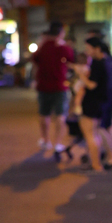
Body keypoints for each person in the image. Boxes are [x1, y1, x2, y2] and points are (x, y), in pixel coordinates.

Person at [31, 21, 75, 156]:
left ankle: (45, 140)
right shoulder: (63, 47)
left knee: (44, 114)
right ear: (61, 33)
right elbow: (71, 59)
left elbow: (34, 60)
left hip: (43, 85)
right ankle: (58, 143)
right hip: (59, 85)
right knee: (60, 115)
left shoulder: (43, 46)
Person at [75, 35, 110, 174]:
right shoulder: (105, 61)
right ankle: (96, 162)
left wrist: (81, 75)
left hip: (92, 103)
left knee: (90, 135)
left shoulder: (97, 63)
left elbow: (91, 85)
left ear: (97, 49)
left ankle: (96, 164)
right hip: (100, 102)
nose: (86, 51)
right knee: (94, 134)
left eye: (88, 48)